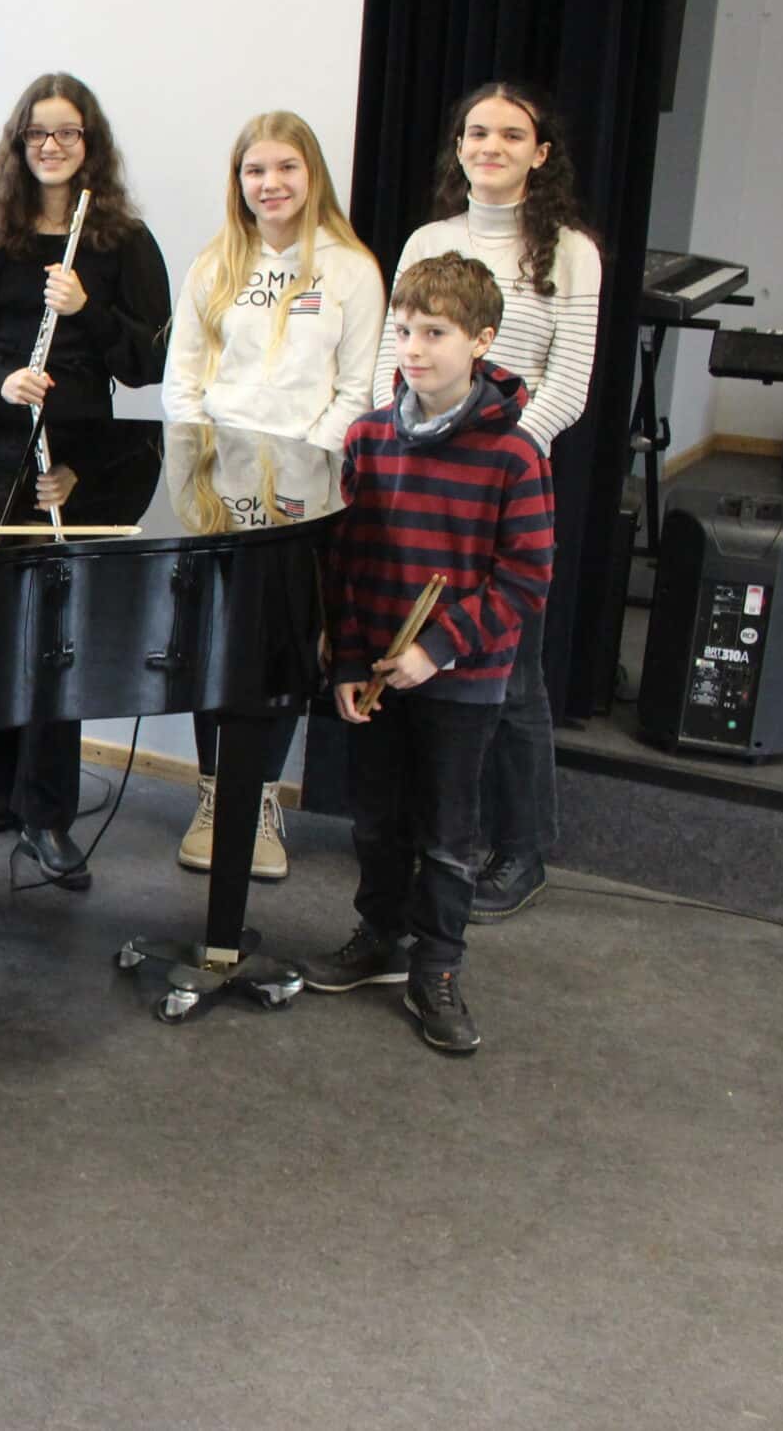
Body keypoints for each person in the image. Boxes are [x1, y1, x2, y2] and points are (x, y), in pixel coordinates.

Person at [297, 253, 553, 1056]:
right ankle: (380, 936)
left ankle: (437, 965)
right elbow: (344, 564)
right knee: (376, 820)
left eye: (435, 333)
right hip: (376, 667)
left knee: (447, 831)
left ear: (481, 340)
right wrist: (347, 660)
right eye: (404, 330)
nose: (413, 347)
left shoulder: (514, 453)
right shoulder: (368, 437)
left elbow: (525, 578)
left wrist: (438, 648)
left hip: (462, 678)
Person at [370, 83, 599, 924]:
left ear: (541, 153)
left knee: (514, 679)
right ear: (459, 146)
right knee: (423, 665)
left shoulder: (570, 251)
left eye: (511, 134)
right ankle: (431, 839)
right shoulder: (430, 240)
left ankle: (523, 850)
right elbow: (393, 359)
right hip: (417, 480)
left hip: (506, 481)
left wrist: (486, 456)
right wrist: (400, 448)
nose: (490, 146)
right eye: (476, 132)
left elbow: (567, 385)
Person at [0, 74, 170, 855]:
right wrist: (1, 379)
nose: (51, 145)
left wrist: (85, 311)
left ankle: (47, 810)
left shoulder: (122, 241)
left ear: (89, 143)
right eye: (38, 132)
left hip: (80, 456)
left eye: (67, 132)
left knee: (55, 639)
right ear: (20, 143)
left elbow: (148, 362)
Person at [162, 110, 384, 880]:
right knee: (213, 647)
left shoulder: (352, 270)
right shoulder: (213, 263)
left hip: (306, 495)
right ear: (239, 182)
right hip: (216, 487)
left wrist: (302, 465)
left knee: (284, 651)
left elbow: (358, 390)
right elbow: (182, 383)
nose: (271, 183)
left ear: (311, 174)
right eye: (255, 170)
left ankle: (257, 803)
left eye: (286, 167)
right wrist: (199, 470)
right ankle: (213, 797)